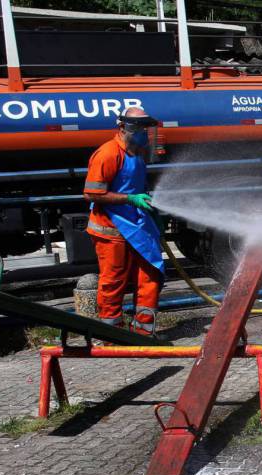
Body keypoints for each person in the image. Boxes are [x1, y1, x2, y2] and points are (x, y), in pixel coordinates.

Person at [82, 107, 164, 335]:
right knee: (113, 282)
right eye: (137, 128)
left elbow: (137, 187)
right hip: (111, 229)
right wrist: (130, 198)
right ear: (122, 128)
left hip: (137, 225)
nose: (143, 133)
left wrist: (151, 210)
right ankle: (111, 334)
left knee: (150, 274)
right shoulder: (107, 154)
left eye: (145, 129)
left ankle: (143, 331)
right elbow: (91, 193)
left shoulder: (137, 154)